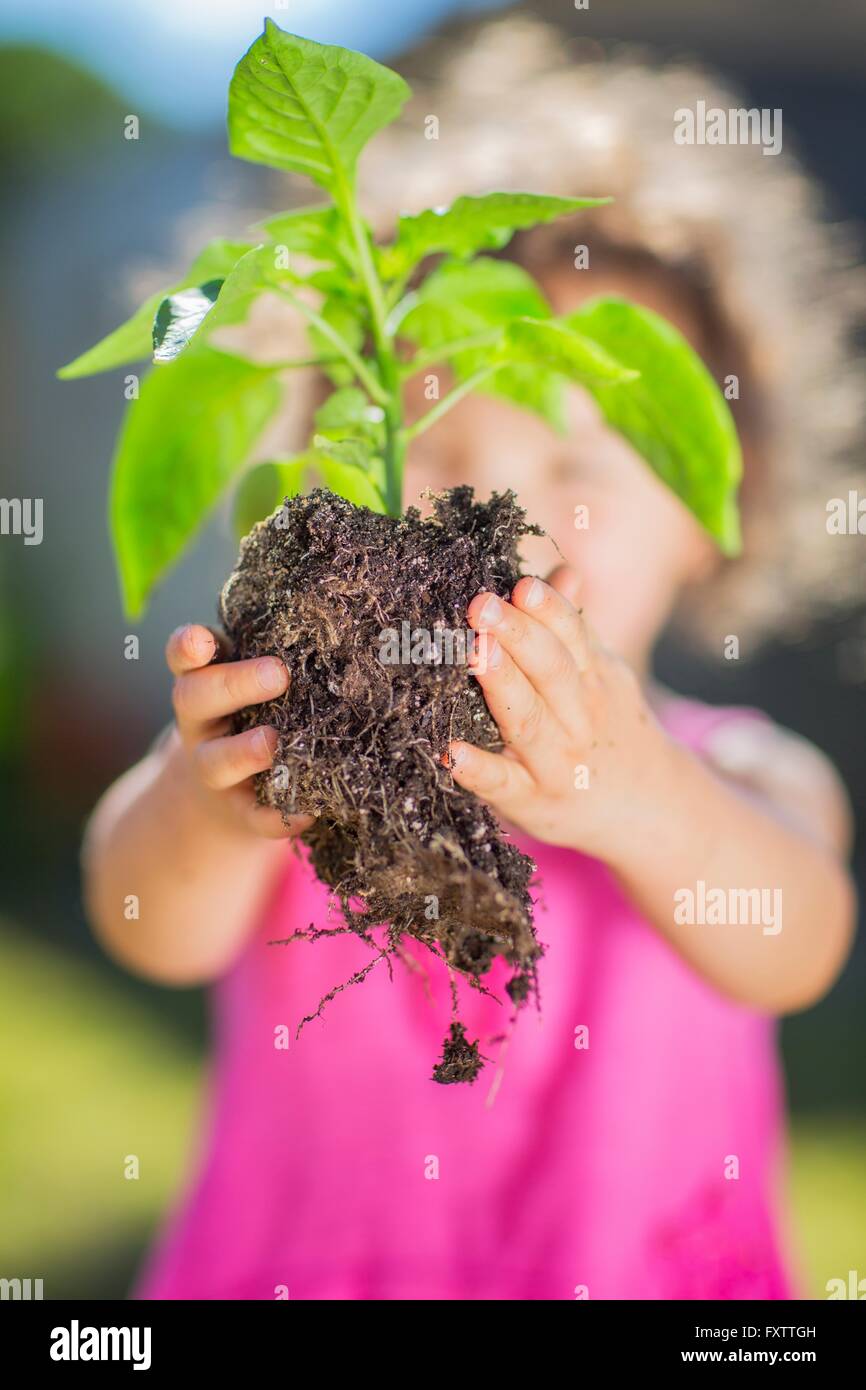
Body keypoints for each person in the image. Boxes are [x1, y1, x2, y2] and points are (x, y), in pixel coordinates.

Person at [82, 15, 861, 1299]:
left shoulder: (735, 776)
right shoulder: (304, 769)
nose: (506, 524)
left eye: (574, 467)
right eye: (437, 460)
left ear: (715, 504)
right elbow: (143, 922)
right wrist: (210, 802)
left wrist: (645, 797)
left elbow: (797, 936)